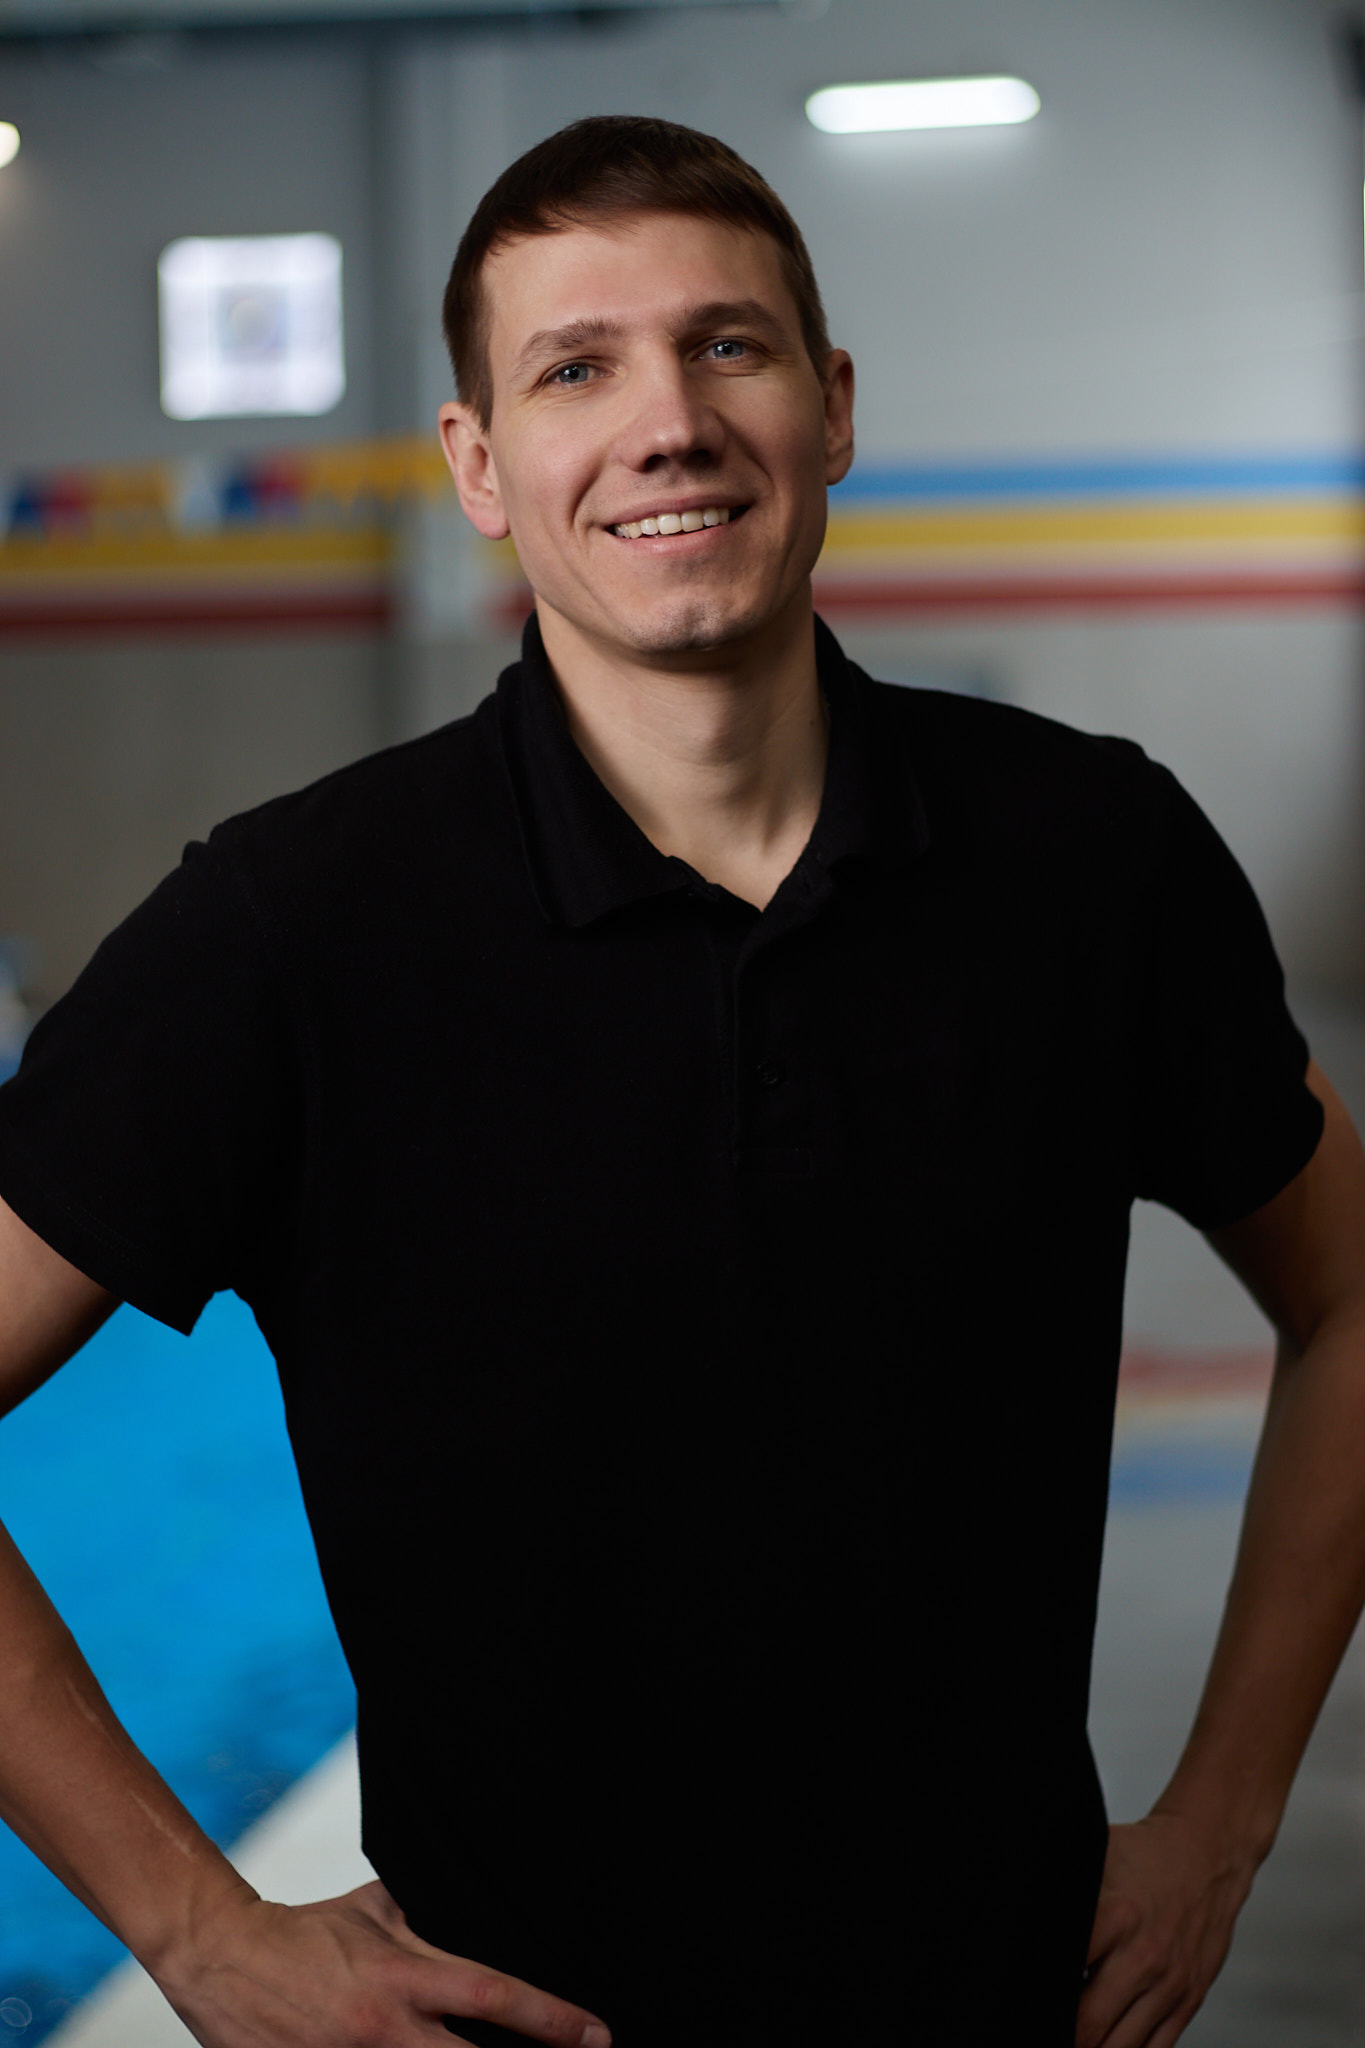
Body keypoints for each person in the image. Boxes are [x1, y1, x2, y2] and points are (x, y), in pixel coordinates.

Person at [1, 113, 1364, 2048]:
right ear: (478, 466)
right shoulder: (292, 931)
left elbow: (1352, 1294)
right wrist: (193, 1925)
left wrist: (1222, 1825)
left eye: (726, 345)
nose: (668, 424)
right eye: (575, 368)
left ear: (832, 404)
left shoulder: (1088, 860)